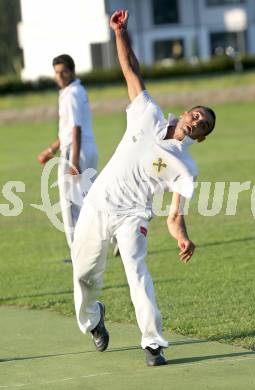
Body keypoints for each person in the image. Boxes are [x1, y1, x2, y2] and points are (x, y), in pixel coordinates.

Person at [71, 10, 216, 367]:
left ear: (201, 136)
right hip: (98, 201)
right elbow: (131, 70)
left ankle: (153, 343)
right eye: (197, 114)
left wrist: (181, 236)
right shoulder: (147, 112)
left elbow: (175, 215)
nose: (197, 121)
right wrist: (120, 33)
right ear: (185, 113)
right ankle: (92, 319)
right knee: (83, 275)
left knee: (137, 274)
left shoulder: (186, 167)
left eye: (204, 124)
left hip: (132, 215)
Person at [37, 54, 98, 249]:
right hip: (85, 148)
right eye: (57, 72)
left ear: (72, 71)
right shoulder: (75, 90)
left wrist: (73, 162)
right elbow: (68, 130)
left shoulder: (72, 93)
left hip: (76, 150)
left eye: (63, 72)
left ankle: (77, 253)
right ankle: (117, 238)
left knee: (69, 205)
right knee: (90, 201)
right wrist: (50, 150)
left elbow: (75, 129)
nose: (60, 76)